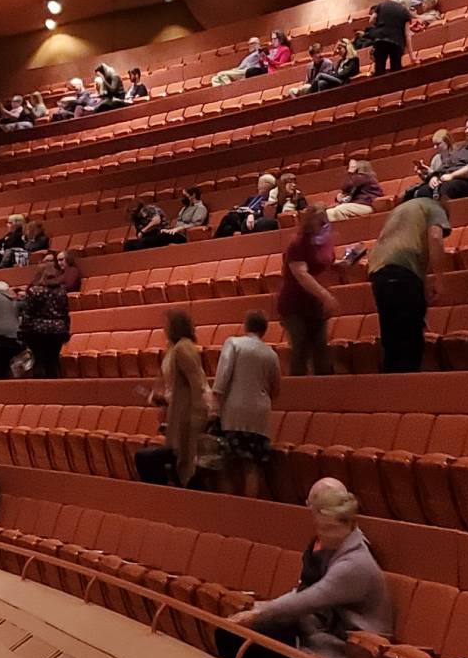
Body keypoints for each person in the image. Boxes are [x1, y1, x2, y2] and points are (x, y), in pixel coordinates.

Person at [220, 484, 392, 658]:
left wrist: (257, 614)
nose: (322, 535)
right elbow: (304, 591)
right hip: (326, 629)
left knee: (273, 636)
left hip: (350, 646)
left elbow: (310, 599)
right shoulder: (335, 548)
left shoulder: (355, 564)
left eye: (328, 529)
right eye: (319, 528)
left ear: (349, 524)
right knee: (240, 635)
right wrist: (261, 609)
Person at [366, 197, 447, 375]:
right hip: (402, 271)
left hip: (379, 271)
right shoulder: (434, 207)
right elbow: (435, 237)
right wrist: (439, 279)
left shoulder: (400, 211)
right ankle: (407, 392)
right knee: (410, 342)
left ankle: (392, 393)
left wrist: (422, 291)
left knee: (392, 339)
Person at [135, 310, 211, 487]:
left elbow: (197, 384)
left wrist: (197, 417)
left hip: (188, 419)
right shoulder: (174, 348)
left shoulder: (183, 348)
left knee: (183, 467)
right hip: (180, 417)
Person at [210, 312, 281, 498]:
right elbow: (276, 389)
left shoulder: (233, 343)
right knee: (252, 467)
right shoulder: (271, 354)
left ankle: (230, 506)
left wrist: (215, 400)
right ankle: (249, 508)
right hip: (259, 416)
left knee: (225, 463)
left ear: (246, 325)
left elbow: (223, 375)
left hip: (234, 412)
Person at [277, 206, 338, 377]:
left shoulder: (324, 240)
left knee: (320, 347)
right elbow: (301, 274)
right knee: (301, 347)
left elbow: (325, 263)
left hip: (315, 302)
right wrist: (326, 296)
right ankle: (300, 392)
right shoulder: (298, 243)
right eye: (321, 221)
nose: (325, 224)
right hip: (295, 303)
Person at [19, 256, 72, 379]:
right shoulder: (61, 291)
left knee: (40, 361)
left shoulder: (34, 291)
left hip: (38, 330)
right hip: (58, 330)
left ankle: (42, 392)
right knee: (53, 362)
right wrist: (66, 331)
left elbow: (28, 314)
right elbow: (65, 313)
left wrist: (22, 333)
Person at [214, 173, 280, 237]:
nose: (258, 186)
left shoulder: (269, 198)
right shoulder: (252, 198)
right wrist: (239, 208)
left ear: (268, 185)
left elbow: (264, 213)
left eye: (260, 183)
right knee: (228, 226)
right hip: (243, 216)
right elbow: (243, 206)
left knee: (230, 218)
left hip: (252, 219)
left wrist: (251, 212)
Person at [362, 0, 411, 75]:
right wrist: (412, 56)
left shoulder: (383, 4)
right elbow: (407, 35)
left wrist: (378, 27)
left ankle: (380, 85)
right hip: (397, 42)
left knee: (379, 69)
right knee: (396, 71)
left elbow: (371, 20)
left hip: (381, 39)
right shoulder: (405, 12)